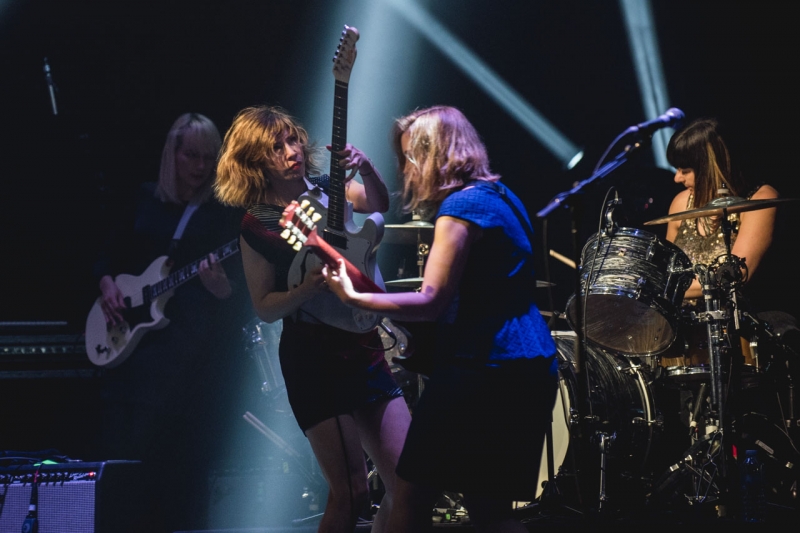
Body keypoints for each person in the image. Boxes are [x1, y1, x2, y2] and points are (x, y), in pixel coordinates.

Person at [322, 105, 559, 533]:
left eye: (413, 156)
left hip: (482, 369)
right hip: (528, 361)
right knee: (492, 510)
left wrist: (355, 296)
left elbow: (430, 299)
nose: (408, 169)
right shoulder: (502, 196)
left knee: (409, 499)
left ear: (438, 155)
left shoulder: (461, 208)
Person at [214, 105, 411, 533]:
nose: (291, 151)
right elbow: (265, 307)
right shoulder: (257, 224)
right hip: (314, 356)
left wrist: (368, 169)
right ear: (254, 162)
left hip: (362, 346)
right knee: (353, 493)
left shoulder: (329, 189)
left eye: (292, 139)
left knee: (409, 483)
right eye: (275, 147)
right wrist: (307, 289)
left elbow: (379, 203)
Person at [94, 113, 253, 533]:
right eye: (190, 156)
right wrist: (107, 283)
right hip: (134, 359)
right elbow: (108, 250)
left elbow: (242, 294)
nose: (200, 167)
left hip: (190, 361)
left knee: (184, 473)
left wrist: (221, 289)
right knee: (130, 469)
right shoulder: (145, 198)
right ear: (173, 154)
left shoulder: (222, 214)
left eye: (207, 157)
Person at [665, 118, 779, 303]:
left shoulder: (759, 201)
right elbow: (667, 268)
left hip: (741, 322)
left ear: (709, 168)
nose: (677, 178)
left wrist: (665, 291)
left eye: (685, 170)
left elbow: (737, 275)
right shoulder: (681, 202)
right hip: (685, 320)